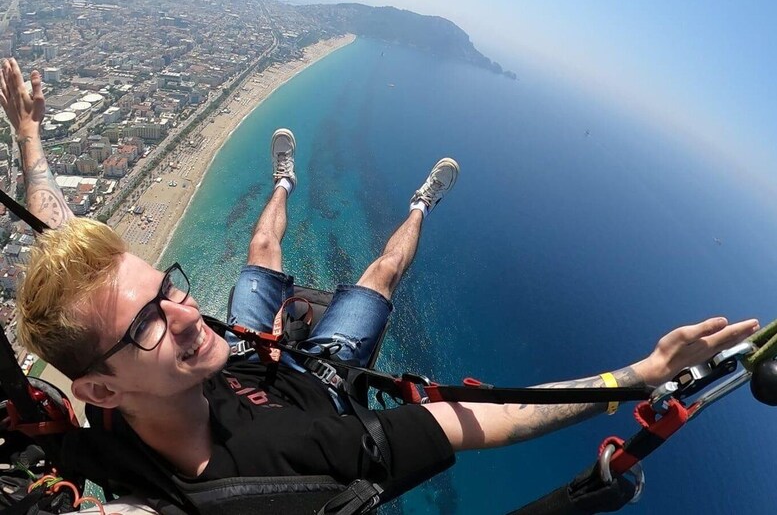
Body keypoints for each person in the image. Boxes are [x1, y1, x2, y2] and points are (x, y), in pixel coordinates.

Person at [0, 58, 760, 504]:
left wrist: (30, 136)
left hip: (256, 355)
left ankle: (287, 184)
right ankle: (419, 206)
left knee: (263, 243)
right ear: (98, 388)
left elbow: (58, 236)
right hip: (326, 379)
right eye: (151, 322)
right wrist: (638, 377)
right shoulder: (299, 458)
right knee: (383, 273)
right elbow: (476, 420)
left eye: (168, 285)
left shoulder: (110, 421)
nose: (185, 309)